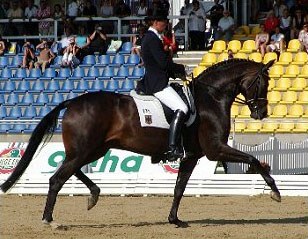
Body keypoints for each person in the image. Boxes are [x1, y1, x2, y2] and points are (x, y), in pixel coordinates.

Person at [136, 10, 188, 162]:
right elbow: (163, 63)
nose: (165, 24)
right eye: (163, 21)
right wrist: (180, 69)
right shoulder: (152, 38)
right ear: (155, 22)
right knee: (182, 108)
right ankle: (172, 148)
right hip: (157, 84)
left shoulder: (152, 37)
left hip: (155, 79)